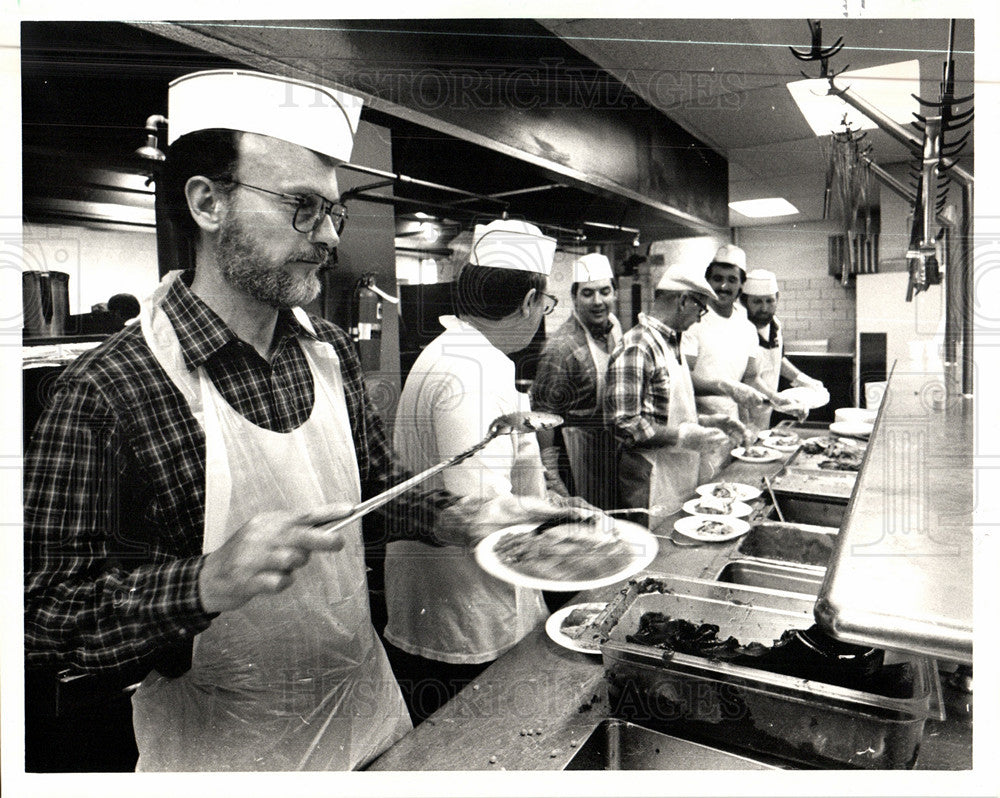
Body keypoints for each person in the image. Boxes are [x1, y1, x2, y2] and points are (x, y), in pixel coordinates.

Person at [23, 70, 575, 772]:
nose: (327, 238)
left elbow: (373, 489)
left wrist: (453, 518)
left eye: (333, 214)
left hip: (370, 725)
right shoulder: (109, 388)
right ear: (207, 203)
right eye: (302, 209)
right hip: (230, 756)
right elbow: (39, 614)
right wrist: (201, 582)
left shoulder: (329, 352)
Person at [384, 218, 563, 723]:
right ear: (530, 302)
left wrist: (558, 502)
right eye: (545, 304)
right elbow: (481, 520)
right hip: (466, 623)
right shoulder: (474, 370)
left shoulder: (459, 352)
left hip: (454, 608)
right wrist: (579, 542)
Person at [606, 263, 743, 519]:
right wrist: (683, 437)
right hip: (650, 478)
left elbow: (664, 411)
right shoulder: (638, 346)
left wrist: (711, 422)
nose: (698, 318)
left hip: (676, 471)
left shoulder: (670, 343)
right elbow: (623, 424)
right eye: (700, 308)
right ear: (683, 301)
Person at [683, 244, 796, 474]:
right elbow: (683, 379)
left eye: (732, 280)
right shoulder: (693, 320)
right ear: (708, 280)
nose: (724, 286)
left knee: (728, 487)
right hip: (699, 424)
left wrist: (776, 399)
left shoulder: (745, 327)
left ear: (741, 285)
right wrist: (725, 387)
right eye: (717, 278)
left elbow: (751, 377)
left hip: (733, 427)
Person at [530, 252, 623, 508]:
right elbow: (543, 415)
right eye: (587, 293)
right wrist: (552, 477)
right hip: (575, 459)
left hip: (609, 452)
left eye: (605, 291)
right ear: (573, 297)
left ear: (615, 293)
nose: (598, 301)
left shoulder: (614, 328)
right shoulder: (561, 348)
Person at [740, 269, 826, 429]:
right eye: (757, 302)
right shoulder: (740, 329)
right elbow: (748, 377)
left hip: (767, 406)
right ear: (745, 302)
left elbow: (777, 359)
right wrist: (777, 399)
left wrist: (802, 379)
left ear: (777, 299)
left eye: (769, 301)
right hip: (743, 411)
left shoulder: (775, 325)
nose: (764, 308)